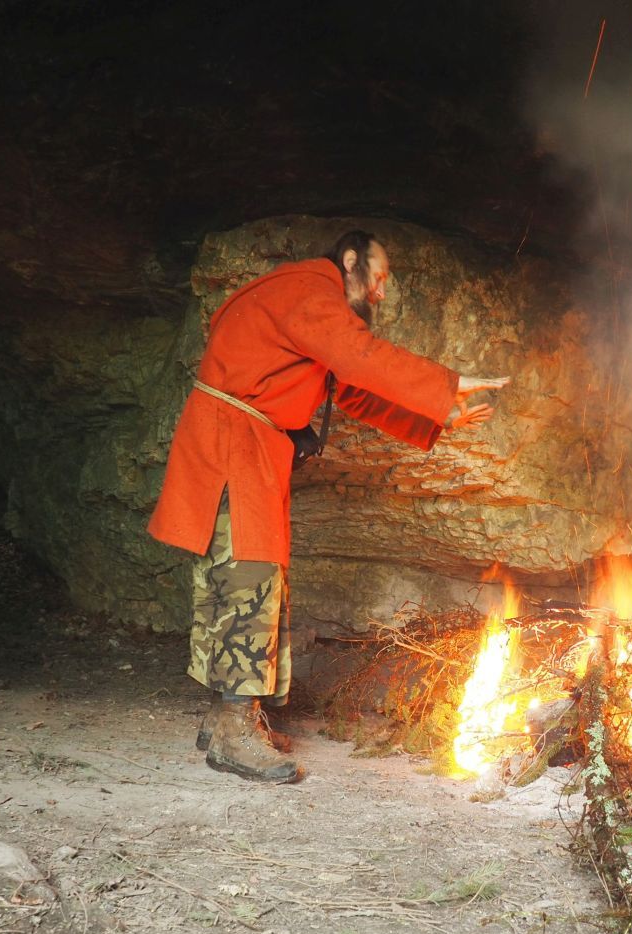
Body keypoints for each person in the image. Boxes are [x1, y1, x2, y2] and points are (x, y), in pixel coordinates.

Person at [148, 231, 507, 783]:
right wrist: (447, 383)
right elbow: (359, 358)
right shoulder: (309, 289)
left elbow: (353, 388)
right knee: (248, 579)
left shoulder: (309, 308)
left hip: (245, 443)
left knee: (243, 578)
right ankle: (231, 730)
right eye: (380, 275)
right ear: (349, 262)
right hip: (232, 444)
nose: (382, 291)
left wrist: (441, 414)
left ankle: (226, 716)